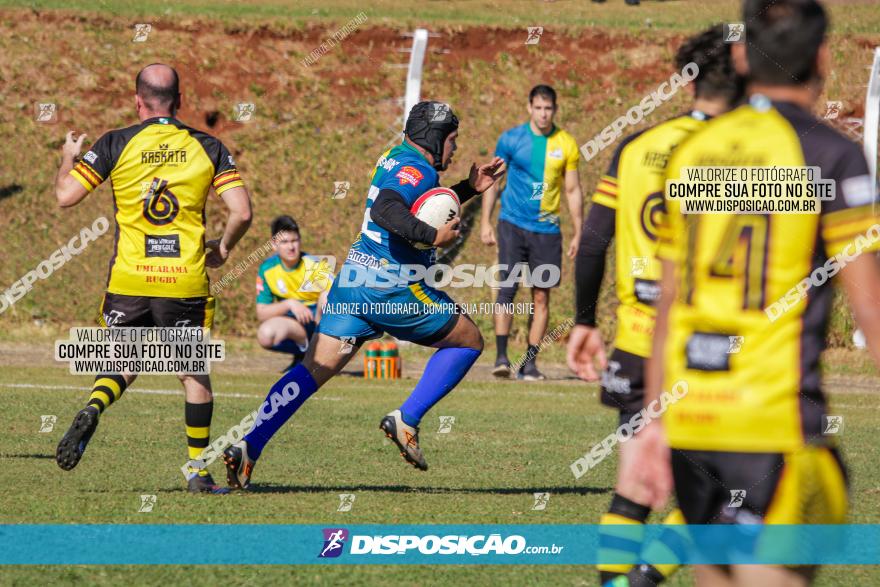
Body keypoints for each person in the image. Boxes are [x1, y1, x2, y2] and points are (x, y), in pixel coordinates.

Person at [640, 1, 880, 584]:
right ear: (823, 56)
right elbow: (872, 310)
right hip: (772, 427)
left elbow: (668, 304)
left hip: (693, 422)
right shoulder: (829, 153)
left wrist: (651, 422)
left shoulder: (695, 151)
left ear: (744, 55)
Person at [222, 101, 505, 488]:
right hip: (392, 288)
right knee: (469, 340)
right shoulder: (416, 167)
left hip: (353, 282)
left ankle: (248, 447)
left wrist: (468, 189)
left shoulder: (395, 157)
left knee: (311, 371)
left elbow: (416, 204)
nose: (454, 149)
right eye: (452, 140)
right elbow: (388, 210)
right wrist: (433, 236)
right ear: (434, 137)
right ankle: (407, 418)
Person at [567, 25, 743, 586]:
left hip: (638, 348)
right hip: (711, 352)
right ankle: (640, 581)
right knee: (731, 494)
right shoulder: (744, 153)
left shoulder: (637, 147)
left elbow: (593, 242)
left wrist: (586, 320)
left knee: (636, 487)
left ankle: (617, 582)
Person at [53, 63, 253, 494]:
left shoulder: (115, 143)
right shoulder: (208, 147)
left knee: (127, 362)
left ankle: (93, 407)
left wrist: (69, 156)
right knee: (193, 376)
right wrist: (223, 248)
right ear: (180, 102)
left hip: (128, 279)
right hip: (182, 281)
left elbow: (65, 196)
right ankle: (198, 474)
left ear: (137, 100)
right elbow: (243, 211)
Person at [481, 85, 583, 380]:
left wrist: (578, 231)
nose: (543, 113)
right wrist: (486, 221)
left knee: (541, 297)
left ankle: (530, 363)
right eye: (538, 107)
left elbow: (573, 189)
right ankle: (501, 358)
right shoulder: (511, 139)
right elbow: (494, 182)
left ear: (555, 110)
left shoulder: (566, 143)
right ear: (529, 108)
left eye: (548, 108)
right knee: (507, 288)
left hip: (547, 231)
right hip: (512, 224)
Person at [255, 215, 332, 370]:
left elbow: (337, 296)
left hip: (319, 323)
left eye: (294, 240)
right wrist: (290, 304)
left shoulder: (314, 265)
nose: (291, 247)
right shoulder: (267, 269)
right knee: (265, 334)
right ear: (274, 245)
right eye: (284, 242)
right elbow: (262, 313)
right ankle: (304, 355)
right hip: (294, 325)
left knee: (326, 297)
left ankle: (321, 353)